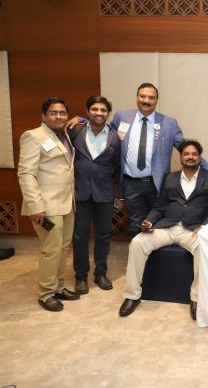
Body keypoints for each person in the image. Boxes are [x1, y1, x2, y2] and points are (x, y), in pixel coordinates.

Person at [70, 83, 208, 235]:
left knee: (158, 226)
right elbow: (102, 127)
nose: (146, 100)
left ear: (156, 100)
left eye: (151, 98)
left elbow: (186, 148)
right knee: (136, 227)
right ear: (136, 98)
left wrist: (207, 167)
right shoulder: (122, 117)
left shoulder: (169, 123)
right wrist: (81, 120)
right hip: (131, 185)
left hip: (158, 185)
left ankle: (157, 251)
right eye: (142, 96)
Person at [119, 140, 208, 319]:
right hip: (167, 227)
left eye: (194, 154)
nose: (190, 157)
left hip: (192, 230)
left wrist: (204, 226)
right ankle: (132, 295)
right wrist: (149, 221)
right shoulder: (170, 178)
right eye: (186, 154)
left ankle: (196, 298)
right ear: (181, 157)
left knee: (204, 248)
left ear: (199, 157)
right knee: (137, 242)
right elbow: (159, 207)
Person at [18, 97, 80, 311]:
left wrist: (79, 118)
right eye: (53, 112)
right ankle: (46, 294)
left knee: (63, 248)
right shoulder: (33, 136)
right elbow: (26, 173)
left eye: (63, 113)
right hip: (46, 206)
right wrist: (36, 205)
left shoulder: (63, 135)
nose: (59, 116)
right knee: (51, 249)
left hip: (67, 203)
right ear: (43, 116)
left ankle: (59, 286)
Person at [68, 95, 121, 294]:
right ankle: (80, 276)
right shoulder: (76, 130)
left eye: (103, 110)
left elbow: (118, 167)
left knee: (103, 236)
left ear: (108, 114)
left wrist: (118, 194)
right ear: (87, 111)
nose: (99, 113)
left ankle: (100, 273)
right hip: (80, 193)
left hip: (104, 194)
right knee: (80, 236)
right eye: (95, 109)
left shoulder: (116, 137)